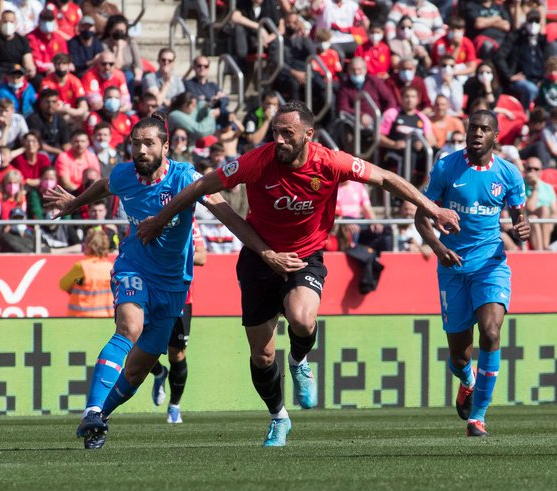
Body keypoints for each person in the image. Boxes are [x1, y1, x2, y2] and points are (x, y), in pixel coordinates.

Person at [137, 100, 460, 447]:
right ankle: (278, 417)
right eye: (275, 131)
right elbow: (201, 186)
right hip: (258, 258)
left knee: (302, 320)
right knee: (261, 355)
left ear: (309, 134)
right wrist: (159, 219)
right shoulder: (255, 162)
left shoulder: (330, 162)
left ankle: (299, 359)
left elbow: (385, 177)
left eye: (287, 133)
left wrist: (432, 207)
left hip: (305, 256)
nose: (278, 139)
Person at [43, 112, 266, 449]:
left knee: (138, 369)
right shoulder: (124, 175)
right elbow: (105, 185)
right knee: (129, 327)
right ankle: (90, 409)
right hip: (133, 266)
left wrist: (265, 252)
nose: (141, 150)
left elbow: (229, 217)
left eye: (149, 143)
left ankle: (99, 418)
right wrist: (75, 203)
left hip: (175, 284)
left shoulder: (186, 179)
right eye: (136, 144)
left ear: (165, 147)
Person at [414, 109, 530, 437]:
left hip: (490, 265)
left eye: (484, 129)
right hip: (452, 268)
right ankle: (467, 380)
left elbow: (521, 214)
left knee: (491, 334)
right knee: (459, 356)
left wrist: (523, 225)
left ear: (496, 137)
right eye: (473, 128)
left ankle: (478, 417)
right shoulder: (446, 167)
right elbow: (421, 217)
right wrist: (439, 249)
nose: (477, 133)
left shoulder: (509, 174)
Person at [149, 218, 207, 424]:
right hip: (150, 290)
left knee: (177, 353)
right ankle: (158, 372)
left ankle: (174, 406)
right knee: (138, 341)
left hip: (181, 296)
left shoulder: (189, 222)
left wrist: (170, 254)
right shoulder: (147, 213)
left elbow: (201, 257)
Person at [59, 228, 114, 317]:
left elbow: (63, 284)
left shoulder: (82, 267)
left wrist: (77, 282)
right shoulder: (111, 267)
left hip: (82, 319)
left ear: (89, 246)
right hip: (106, 318)